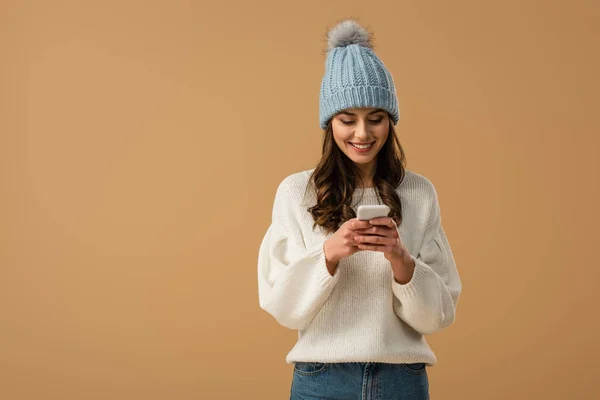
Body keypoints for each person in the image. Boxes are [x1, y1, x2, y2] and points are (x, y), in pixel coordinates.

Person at [257, 19, 462, 400]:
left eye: (376, 118)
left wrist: (400, 259)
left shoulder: (418, 193)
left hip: (402, 379)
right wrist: (330, 253)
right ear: (329, 123)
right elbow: (283, 308)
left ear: (391, 121)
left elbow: (437, 316)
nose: (363, 134)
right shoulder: (297, 192)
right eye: (347, 120)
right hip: (321, 380)